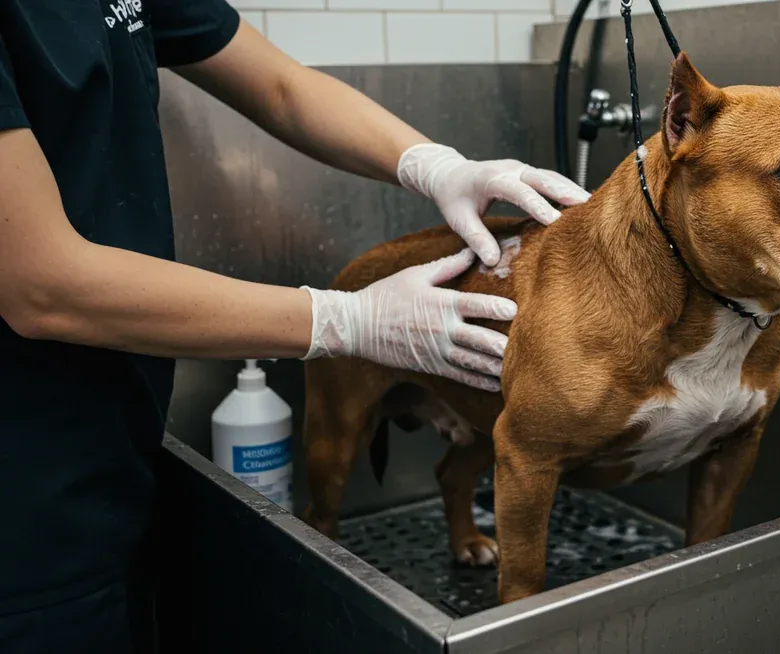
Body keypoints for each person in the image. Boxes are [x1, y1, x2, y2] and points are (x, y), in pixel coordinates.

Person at [0, 2, 590, 652]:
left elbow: (281, 86)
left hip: (118, 450)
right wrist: (345, 318)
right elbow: (39, 284)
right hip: (25, 494)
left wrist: (438, 165)